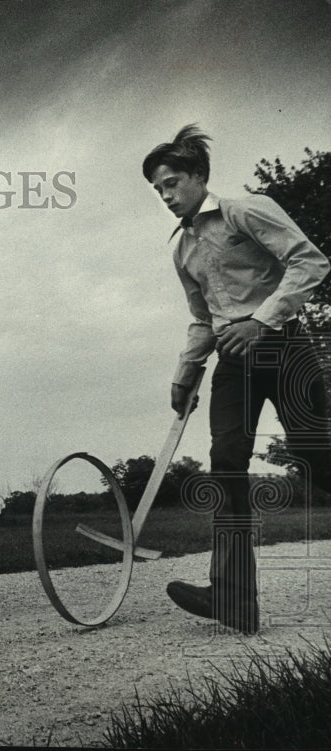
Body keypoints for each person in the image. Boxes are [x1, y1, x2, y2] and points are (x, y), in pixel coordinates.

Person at [143, 124, 331, 634]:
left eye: (172, 182)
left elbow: (310, 261)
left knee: (316, 452)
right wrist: (186, 373)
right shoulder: (181, 251)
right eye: (157, 189)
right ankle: (234, 598)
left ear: (199, 176)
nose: (165, 195)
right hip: (233, 360)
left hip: (284, 344)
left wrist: (260, 320)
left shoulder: (246, 209)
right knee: (226, 463)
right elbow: (204, 318)